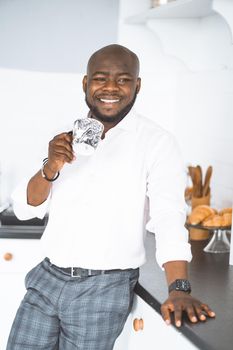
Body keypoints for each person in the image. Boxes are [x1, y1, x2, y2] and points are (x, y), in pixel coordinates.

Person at [7, 44, 215, 350]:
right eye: (100, 78)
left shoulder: (156, 143)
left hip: (104, 289)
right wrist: (50, 166)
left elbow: (169, 217)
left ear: (137, 85)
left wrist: (179, 287)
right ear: (85, 83)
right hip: (45, 279)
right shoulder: (61, 135)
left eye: (123, 79)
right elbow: (26, 209)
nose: (110, 88)